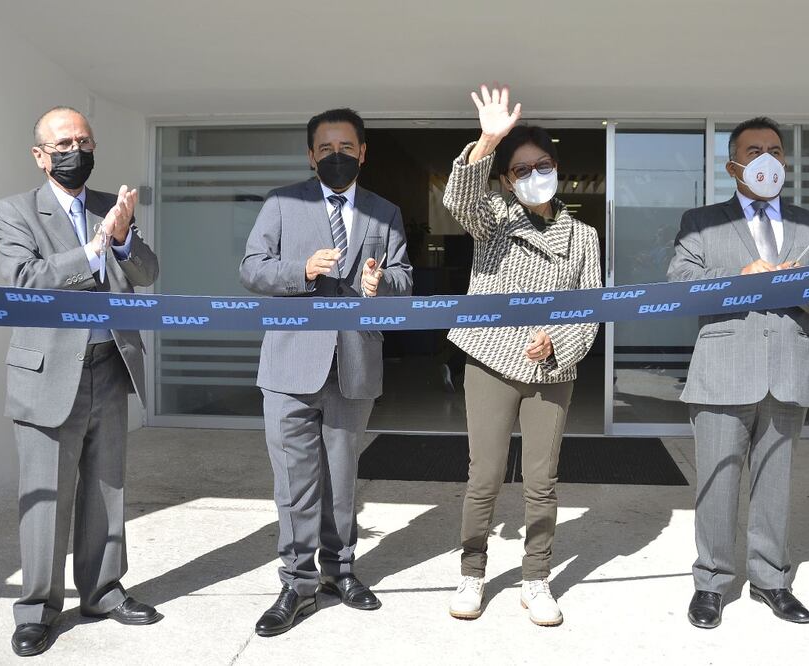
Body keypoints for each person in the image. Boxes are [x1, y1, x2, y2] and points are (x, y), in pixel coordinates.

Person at [0, 106, 161, 657]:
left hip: (109, 366)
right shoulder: (16, 211)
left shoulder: (108, 209)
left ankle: (105, 591)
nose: (76, 149)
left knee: (106, 488)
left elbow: (148, 273)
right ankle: (38, 608)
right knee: (46, 497)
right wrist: (92, 250)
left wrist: (119, 240)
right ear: (41, 156)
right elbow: (25, 280)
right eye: (64, 142)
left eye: (84, 140)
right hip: (47, 374)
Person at [240, 108, 412, 637]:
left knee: (342, 478)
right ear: (311, 155)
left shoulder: (386, 212)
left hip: (355, 365)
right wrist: (302, 271)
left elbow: (406, 282)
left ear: (363, 152)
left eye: (346, 148)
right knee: (294, 482)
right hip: (290, 365)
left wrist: (380, 284)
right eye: (325, 149)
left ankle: (341, 572)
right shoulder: (282, 203)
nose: (336, 156)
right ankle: (296, 581)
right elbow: (251, 268)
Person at [667, 116, 809, 629]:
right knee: (717, 485)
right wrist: (739, 276)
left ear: (784, 161)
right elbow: (680, 283)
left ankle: (772, 581)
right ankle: (711, 583)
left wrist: (806, 286)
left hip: (787, 370)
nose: (766, 158)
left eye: (774, 150)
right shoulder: (702, 221)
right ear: (733, 164)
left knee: (774, 484)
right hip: (723, 368)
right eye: (754, 150)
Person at [443, 85, 601, 627]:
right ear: (507, 179)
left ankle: (536, 578)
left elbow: (591, 308)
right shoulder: (493, 218)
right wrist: (487, 141)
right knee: (483, 475)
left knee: (542, 478)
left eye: (544, 164)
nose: (535, 173)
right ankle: (472, 571)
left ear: (557, 167)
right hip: (488, 358)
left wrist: (558, 343)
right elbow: (457, 201)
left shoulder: (583, 235)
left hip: (548, 368)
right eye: (522, 168)